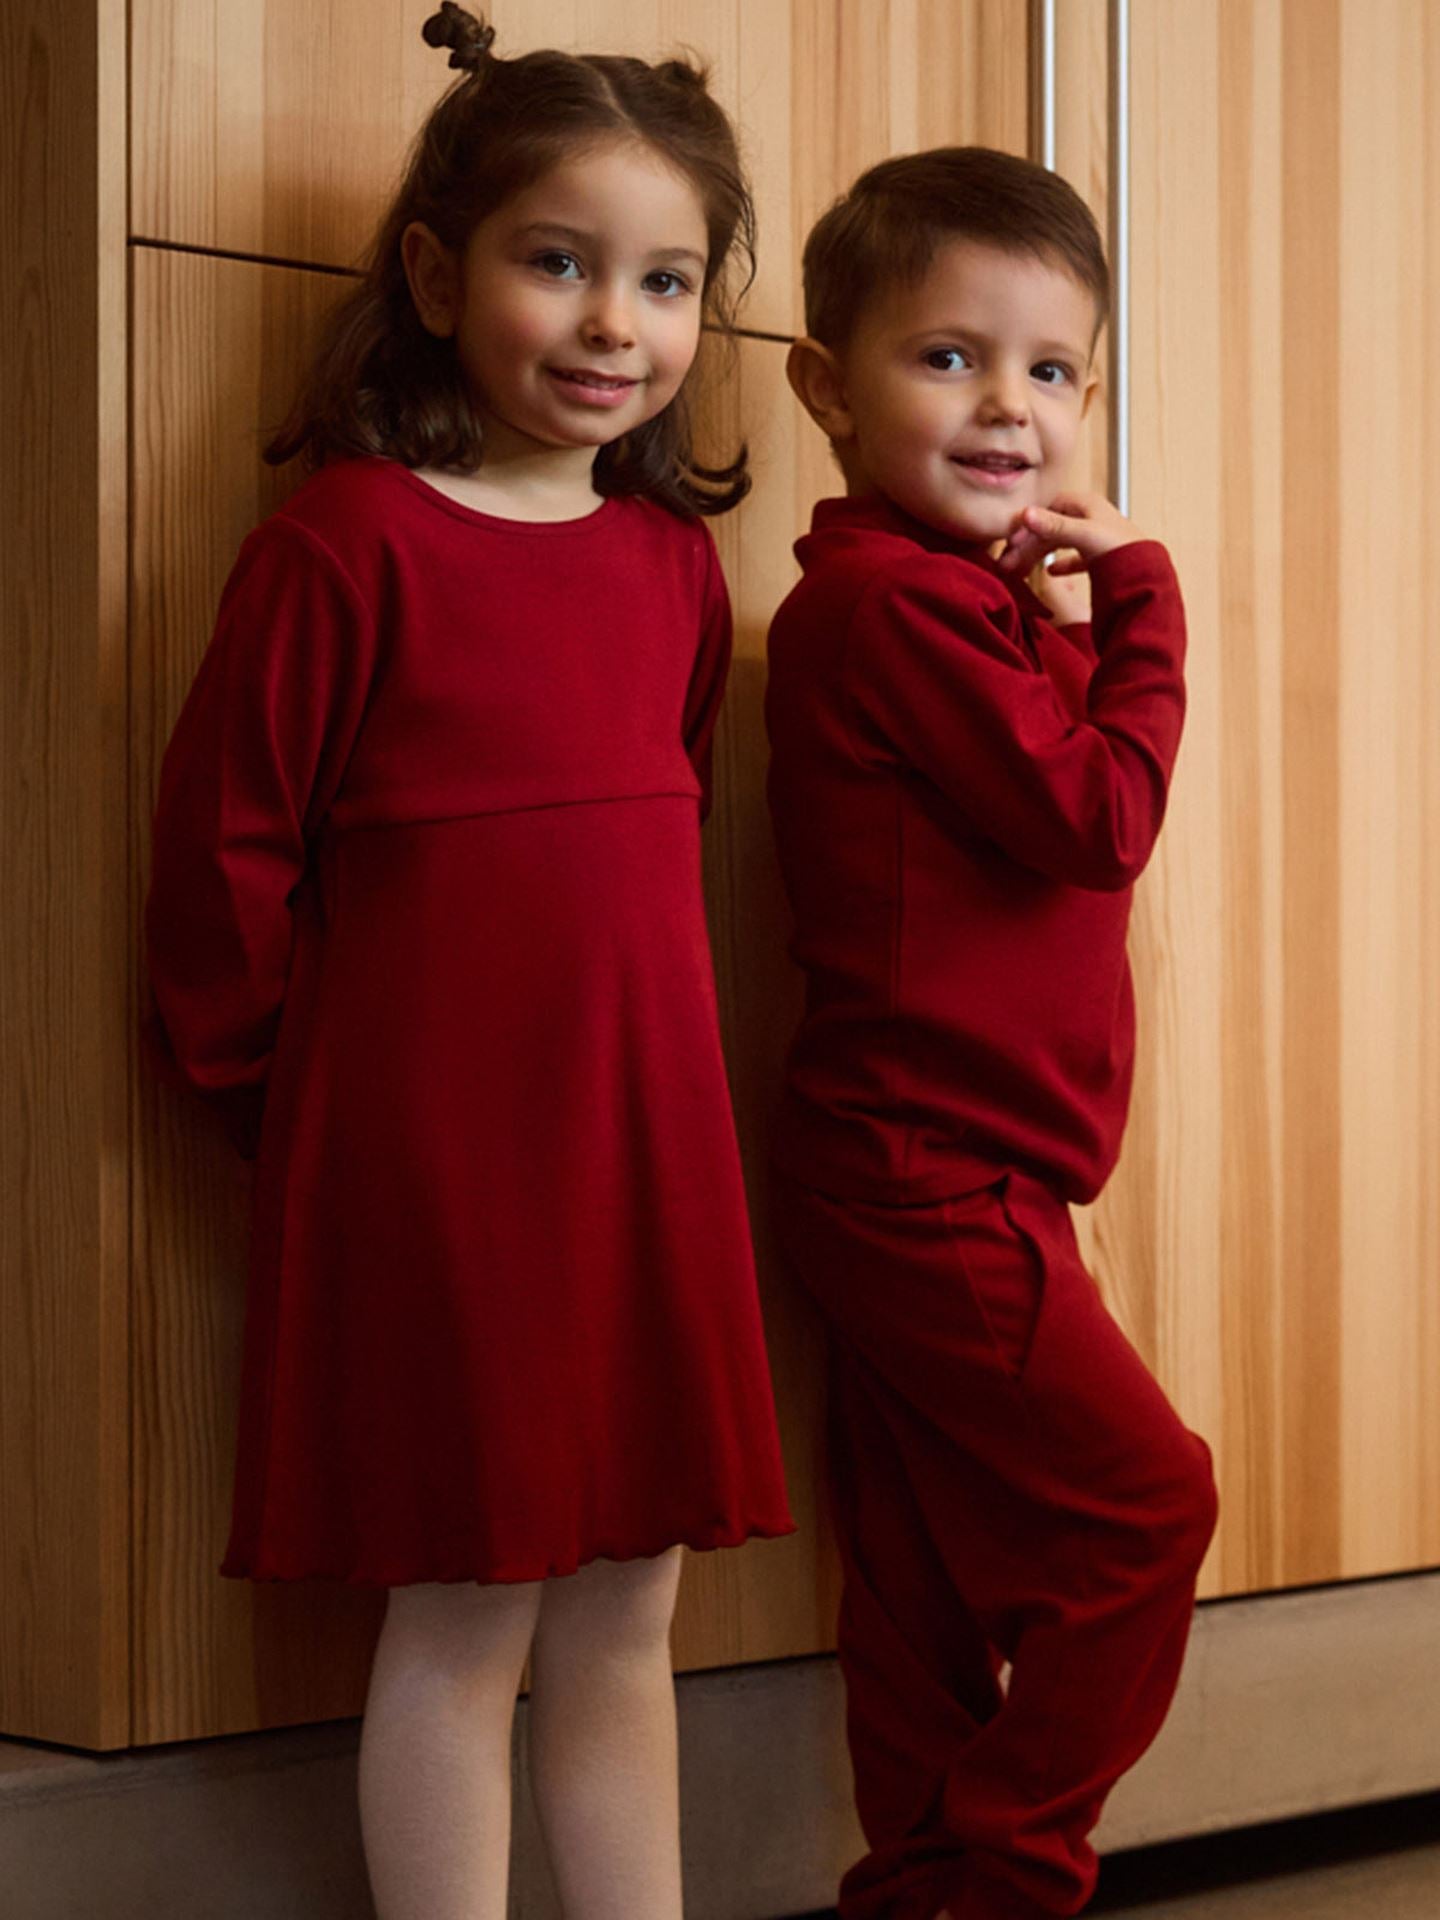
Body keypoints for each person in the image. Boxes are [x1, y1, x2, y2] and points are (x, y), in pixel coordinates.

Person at [143, 9, 793, 1917]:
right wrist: (315, 1123)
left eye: (664, 281)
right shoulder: (344, 552)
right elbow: (217, 878)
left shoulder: (676, 567)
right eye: (559, 262)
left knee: (628, 1612)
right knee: (464, 1615)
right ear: (437, 275)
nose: (615, 324)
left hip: (641, 1174)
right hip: (436, 1186)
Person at [764, 146, 1218, 1920]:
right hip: (927, 1174)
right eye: (948, 358)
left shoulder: (951, 611)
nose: (1008, 409)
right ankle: (1005, 1880)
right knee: (1144, 1513)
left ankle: (922, 1890)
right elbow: (1101, 819)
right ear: (826, 384)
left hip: (952, 1171)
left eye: (1049, 372)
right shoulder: (892, 610)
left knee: (929, 1579)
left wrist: (1067, 634)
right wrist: (1147, 608)